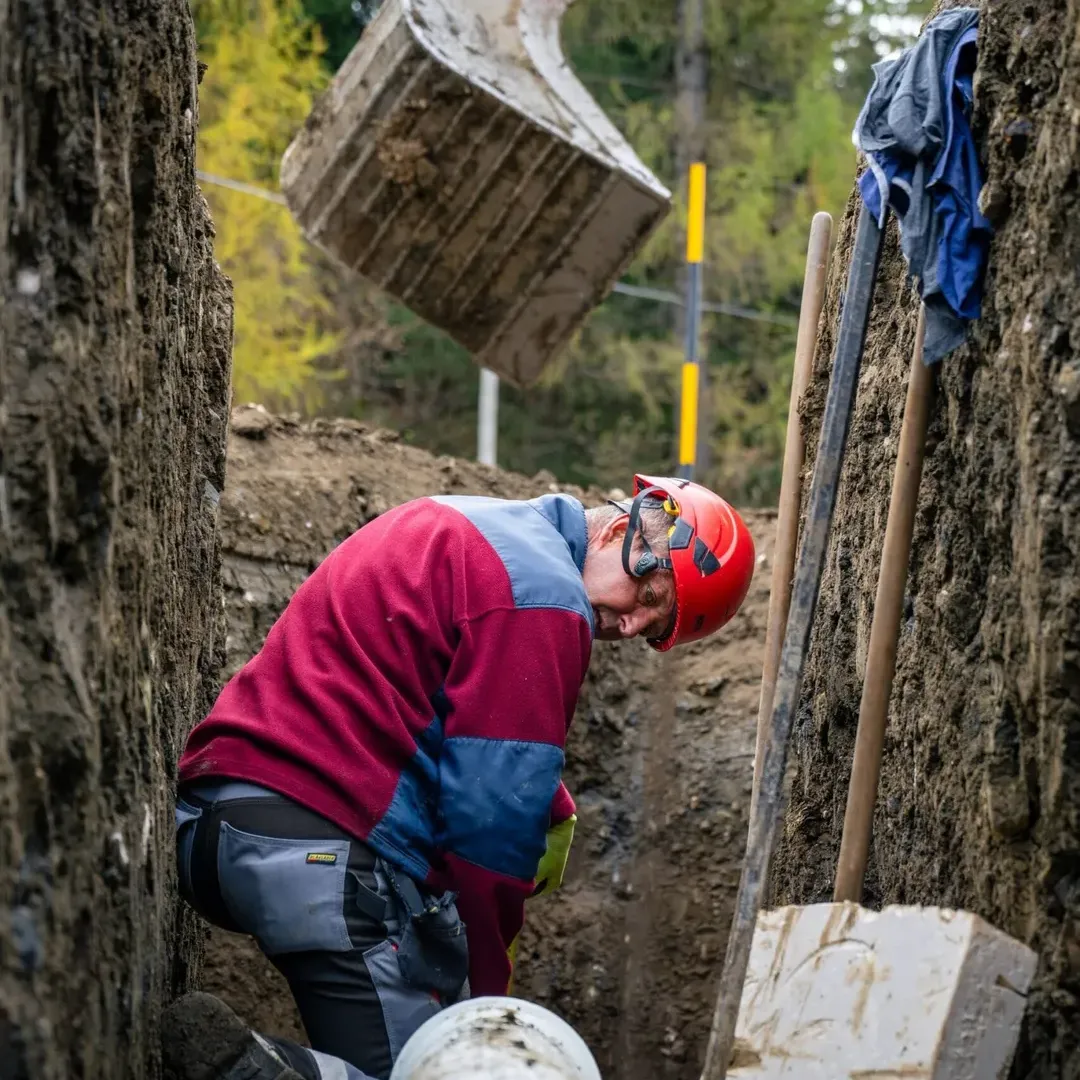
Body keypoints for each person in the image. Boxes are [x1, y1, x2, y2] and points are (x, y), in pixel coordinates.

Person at [162, 474, 755, 1080]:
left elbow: (423, 703)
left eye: (653, 631)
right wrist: (487, 1013)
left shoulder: (468, 526)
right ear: (620, 530)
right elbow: (491, 826)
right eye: (650, 597)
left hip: (215, 820)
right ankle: (249, 1070)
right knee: (439, 1071)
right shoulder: (547, 595)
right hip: (319, 850)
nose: (631, 626)